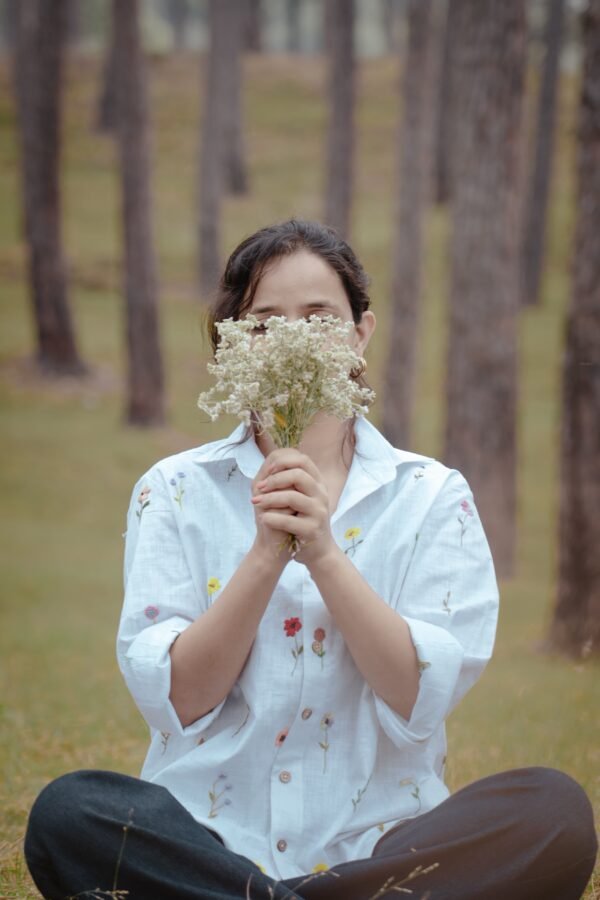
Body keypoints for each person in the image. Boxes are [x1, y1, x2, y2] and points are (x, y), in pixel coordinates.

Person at [25, 220, 596, 899]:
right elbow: (176, 700)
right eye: (264, 323)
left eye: (320, 318)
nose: (292, 338)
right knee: (67, 815)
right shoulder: (173, 491)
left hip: (383, 843)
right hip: (206, 842)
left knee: (554, 811)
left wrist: (322, 552)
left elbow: (420, 697)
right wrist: (266, 555)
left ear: (361, 333)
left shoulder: (432, 495)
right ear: (230, 342)